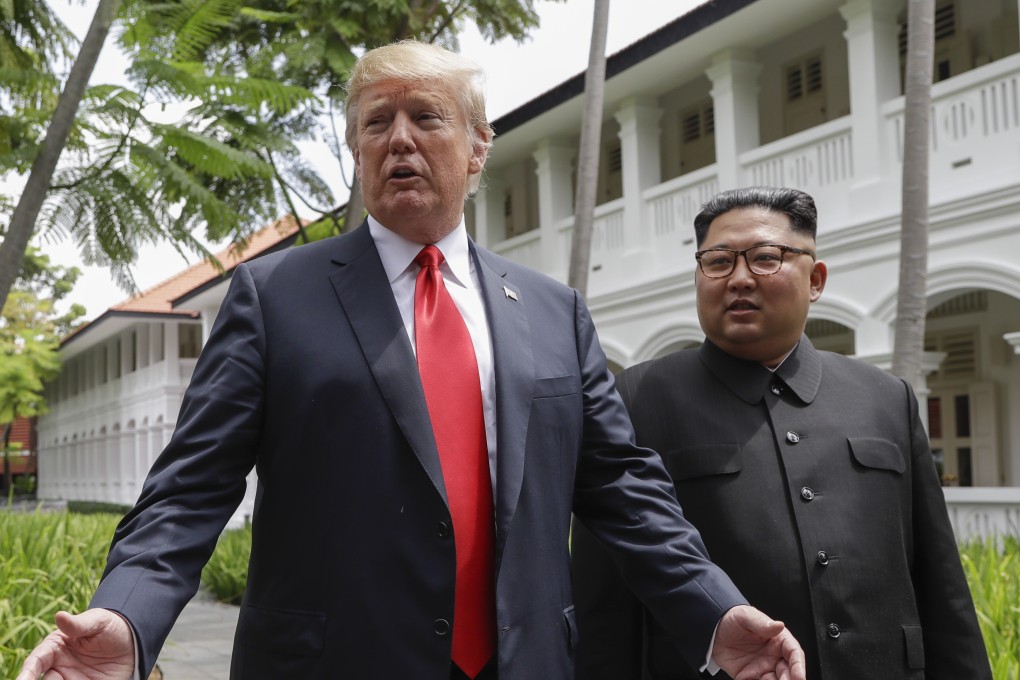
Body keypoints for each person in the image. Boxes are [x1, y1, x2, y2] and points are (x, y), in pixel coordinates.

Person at [17, 44, 807, 680]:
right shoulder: (275, 296)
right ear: (357, 151)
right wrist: (126, 614)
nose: (398, 138)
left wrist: (714, 609)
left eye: (426, 116)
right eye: (375, 123)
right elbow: (191, 488)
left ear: (477, 148)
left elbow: (624, 487)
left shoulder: (552, 310)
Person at [571, 186, 992, 680]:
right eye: (719, 261)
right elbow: (603, 602)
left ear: (815, 279)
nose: (739, 278)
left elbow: (942, 587)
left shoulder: (884, 397)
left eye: (766, 258)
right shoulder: (637, 397)